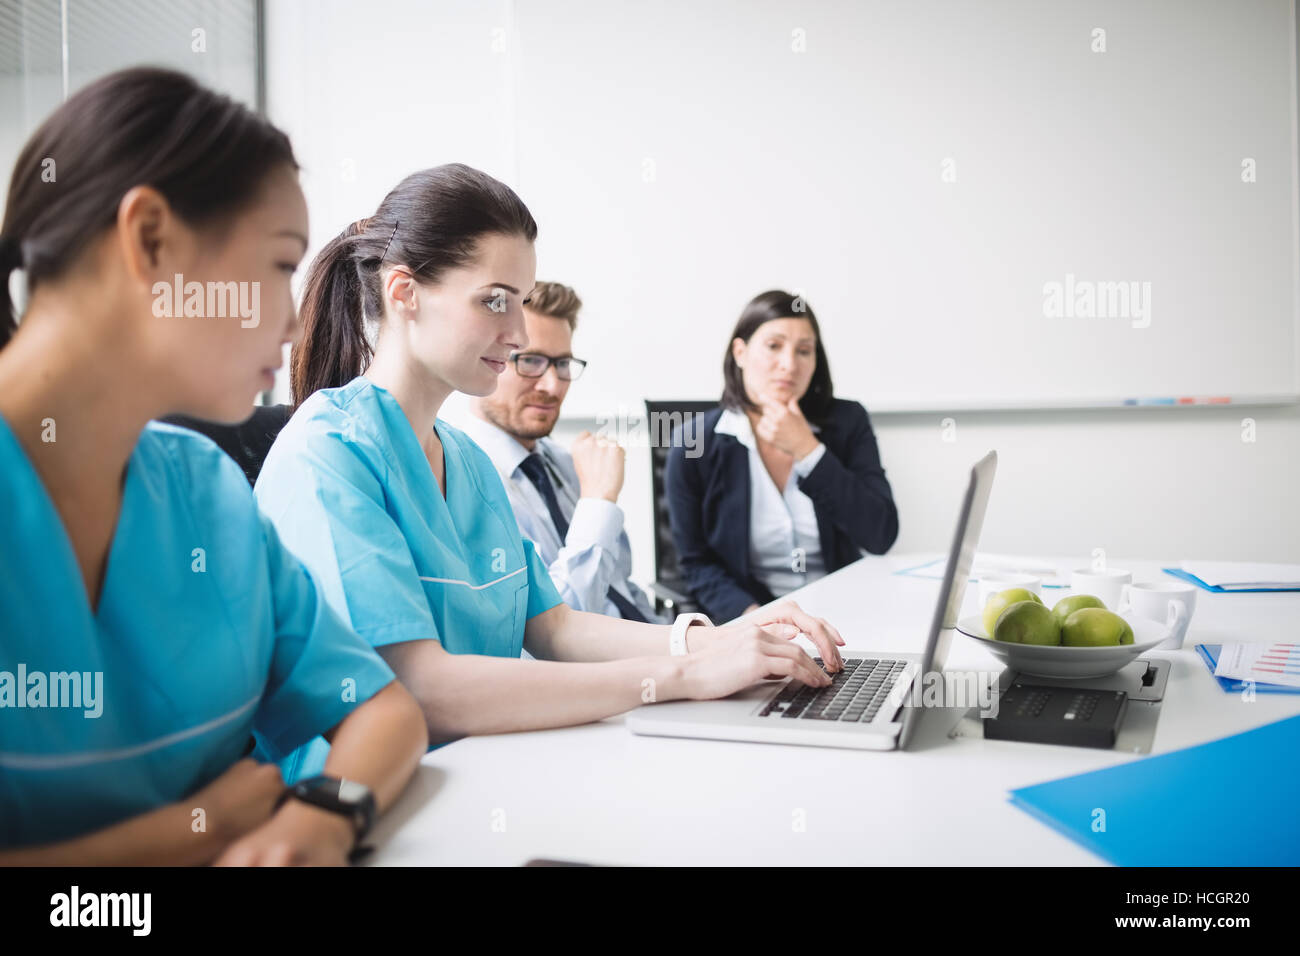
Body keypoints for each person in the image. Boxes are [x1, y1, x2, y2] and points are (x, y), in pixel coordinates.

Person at [253, 164, 846, 766]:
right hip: (361, 809)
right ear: (404, 293)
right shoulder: (327, 454)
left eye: (521, 304)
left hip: (484, 770)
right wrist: (685, 673)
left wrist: (721, 639)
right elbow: (420, 691)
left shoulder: (464, 461)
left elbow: (555, 629)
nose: (515, 334)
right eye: (494, 301)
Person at [0, 68, 426, 865]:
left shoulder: (206, 493)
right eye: (277, 265)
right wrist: (187, 834)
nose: (295, 325)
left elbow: (383, 710)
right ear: (151, 239)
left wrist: (320, 817)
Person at [665, 290, 899, 623]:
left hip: (846, 615)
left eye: (804, 351)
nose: (789, 364)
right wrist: (758, 621)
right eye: (774, 346)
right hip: (753, 621)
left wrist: (809, 450)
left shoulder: (848, 422)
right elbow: (696, 563)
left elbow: (880, 535)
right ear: (740, 352)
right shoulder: (693, 442)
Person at [459, 281, 665, 624]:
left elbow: (621, 591)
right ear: (488, 359)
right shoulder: (463, 479)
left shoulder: (568, 464)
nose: (552, 386)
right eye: (530, 361)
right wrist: (598, 503)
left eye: (563, 364)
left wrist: (688, 641)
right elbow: (552, 635)